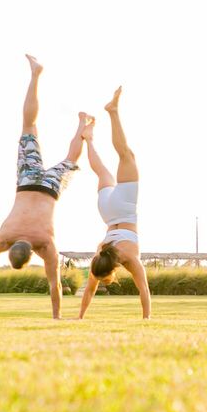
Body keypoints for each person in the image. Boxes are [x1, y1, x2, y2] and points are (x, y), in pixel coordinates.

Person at [0, 55, 90, 319]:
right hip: (27, 181)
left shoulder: (44, 244)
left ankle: (83, 125)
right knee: (29, 126)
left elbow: (55, 284)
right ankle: (36, 75)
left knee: (71, 159)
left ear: (31, 254)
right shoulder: (5, 237)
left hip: (50, 189)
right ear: (10, 251)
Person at [78, 87, 151, 319]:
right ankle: (88, 139)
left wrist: (147, 318)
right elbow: (90, 289)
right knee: (102, 172)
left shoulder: (129, 259)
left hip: (124, 210)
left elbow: (144, 290)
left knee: (126, 155)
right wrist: (79, 316)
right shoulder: (100, 255)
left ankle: (113, 111)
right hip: (107, 212)